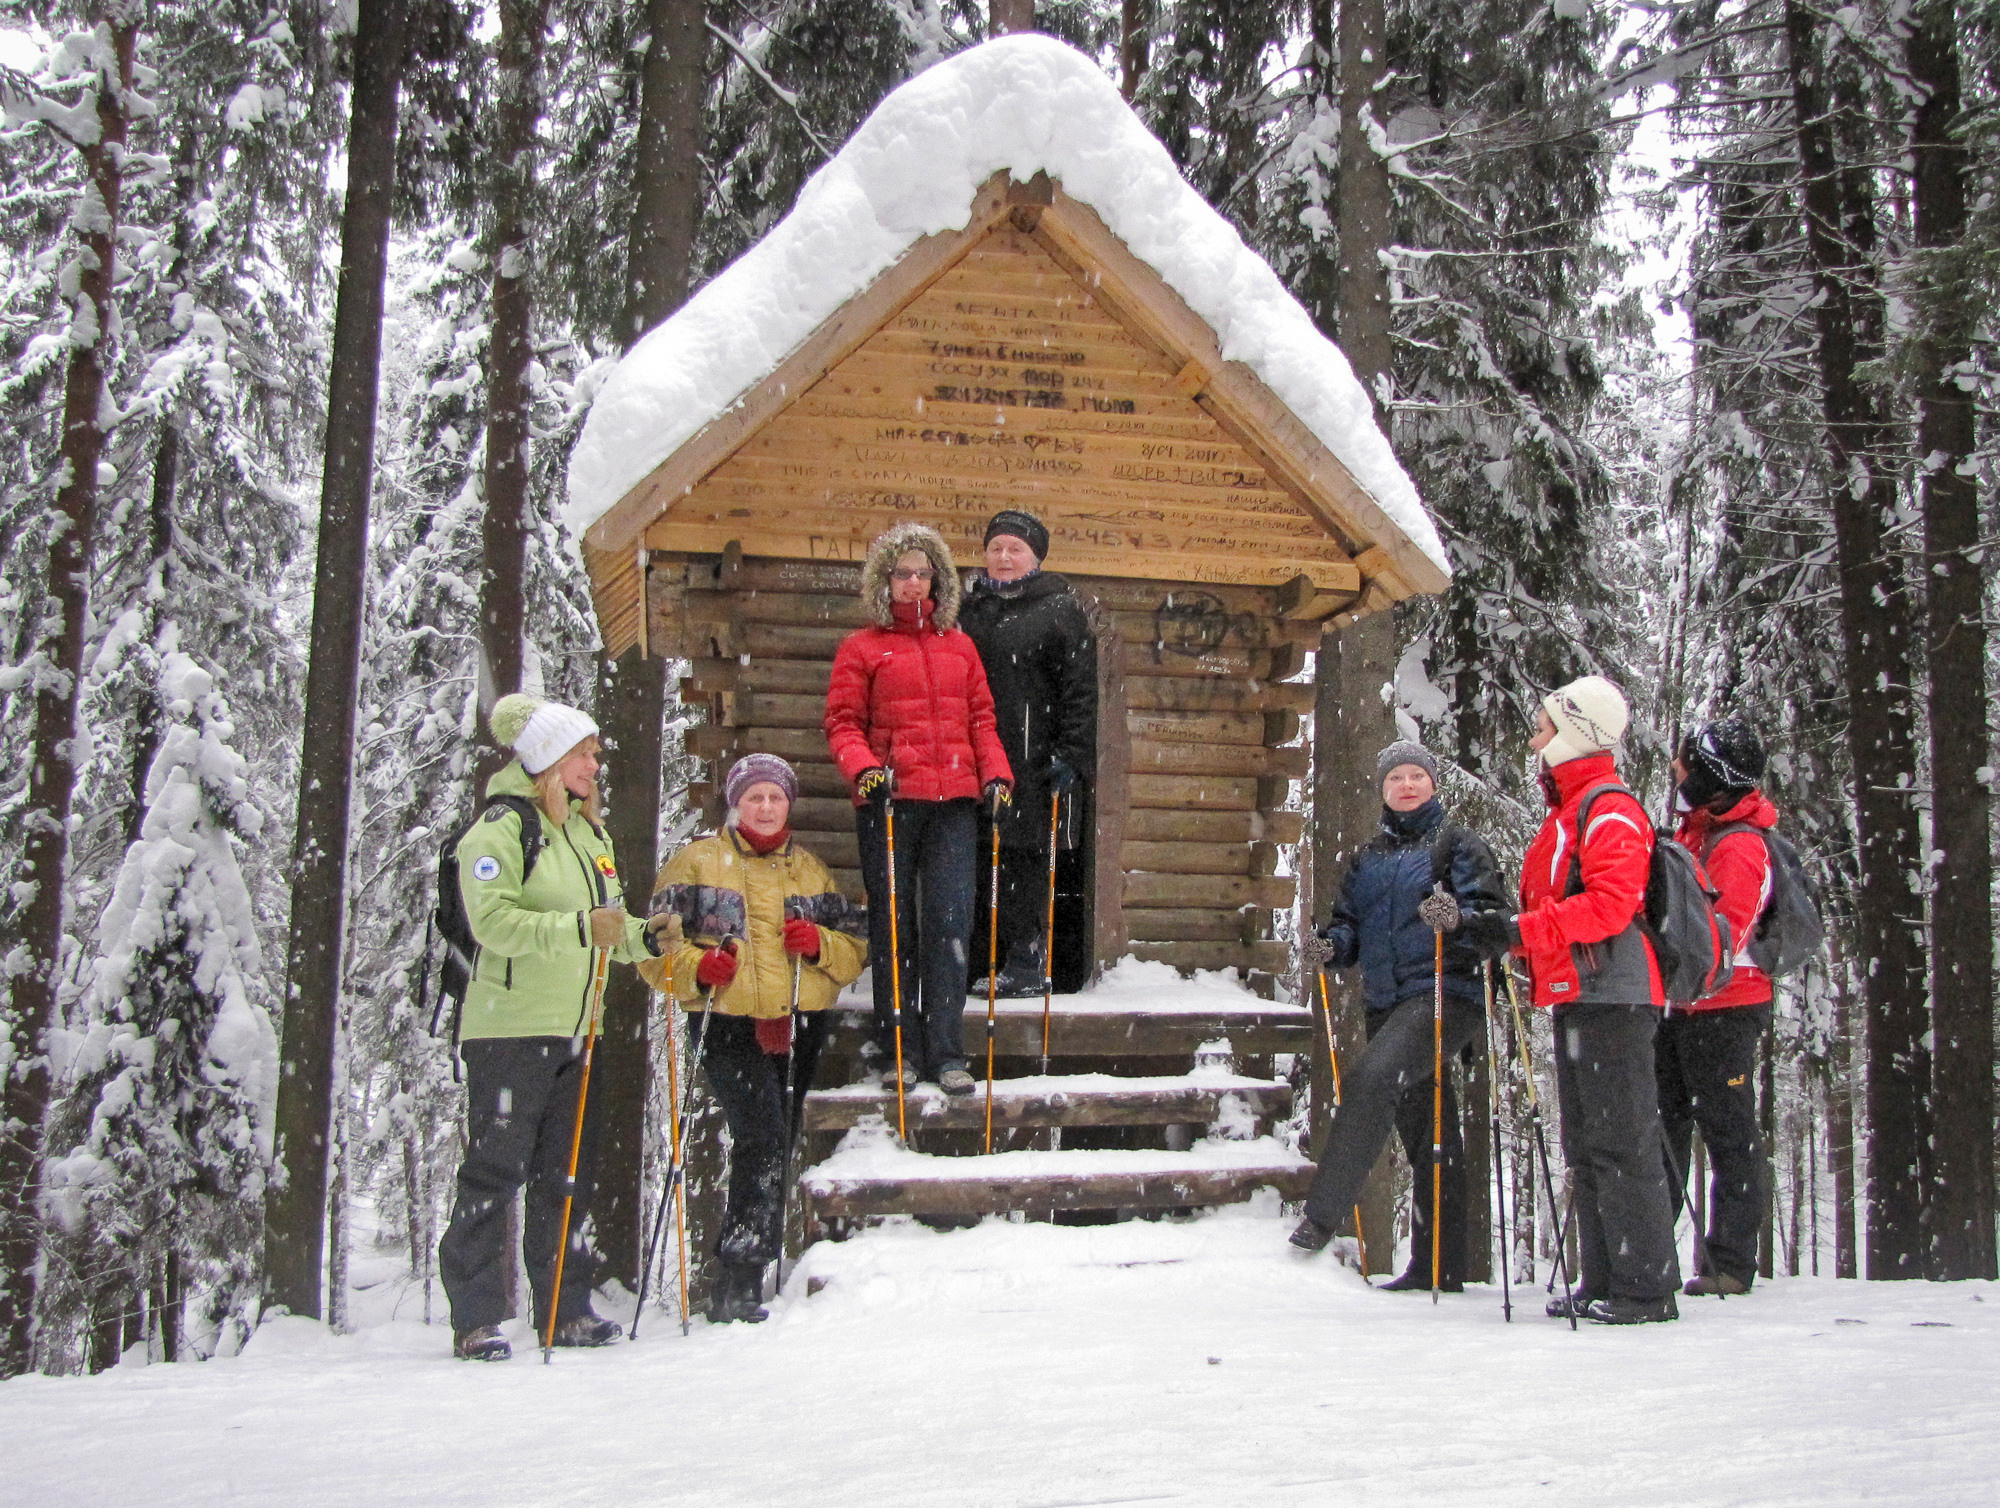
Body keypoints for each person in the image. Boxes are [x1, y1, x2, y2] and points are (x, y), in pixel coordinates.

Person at [440, 692, 673, 1361]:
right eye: (584, 753)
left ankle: (565, 1310)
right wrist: (579, 927)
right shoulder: (501, 830)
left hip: (580, 1028)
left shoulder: (586, 832)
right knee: (494, 1172)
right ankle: (477, 1318)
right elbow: (493, 925)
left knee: (565, 1175)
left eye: (595, 753)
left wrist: (647, 938)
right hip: (509, 1030)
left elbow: (606, 928)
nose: (595, 765)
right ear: (548, 759)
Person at [641, 753, 869, 1323]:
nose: (765, 807)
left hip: (798, 1021)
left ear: (787, 804)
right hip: (726, 1022)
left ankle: (753, 1273)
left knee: (778, 1137)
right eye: (754, 797)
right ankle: (738, 1277)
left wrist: (817, 943)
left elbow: (855, 950)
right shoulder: (696, 863)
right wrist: (697, 967)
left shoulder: (812, 871)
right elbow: (654, 946)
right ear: (736, 803)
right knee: (762, 1134)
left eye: (775, 797)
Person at [1288, 742, 1511, 1290]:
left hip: (1444, 995)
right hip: (1387, 1003)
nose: (1407, 785)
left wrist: (1457, 918)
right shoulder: (1367, 860)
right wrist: (1331, 947)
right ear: (1383, 790)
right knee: (1428, 1132)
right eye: (1396, 778)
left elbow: (1496, 918)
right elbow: (1351, 929)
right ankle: (1441, 1267)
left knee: (1372, 1077)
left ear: (1433, 786)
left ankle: (1321, 1217)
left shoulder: (1458, 846)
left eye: (1417, 776)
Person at [1507, 675, 1682, 1324]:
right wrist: (1516, 944)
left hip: (1617, 994)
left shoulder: (1609, 808)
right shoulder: (1570, 811)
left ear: (1575, 734)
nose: (1535, 739)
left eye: (1545, 728)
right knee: (1586, 1141)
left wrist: (1522, 932)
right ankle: (1604, 1278)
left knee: (1623, 1140)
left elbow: (1609, 908)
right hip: (1581, 992)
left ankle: (1646, 1289)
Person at [823, 522, 1013, 1096]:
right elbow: (842, 723)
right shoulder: (862, 647)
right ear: (885, 578)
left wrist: (998, 775)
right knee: (894, 928)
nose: (913, 583)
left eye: (922, 573)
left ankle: (947, 1052)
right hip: (889, 805)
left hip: (954, 804)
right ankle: (899, 1051)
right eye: (902, 572)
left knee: (951, 926)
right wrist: (864, 770)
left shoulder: (960, 645)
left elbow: (981, 719)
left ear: (938, 579)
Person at [957, 509, 1097, 996]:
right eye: (996, 548)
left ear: (1035, 557)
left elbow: (1080, 691)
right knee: (970, 855)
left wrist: (1071, 754)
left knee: (1022, 859)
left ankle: (1025, 960)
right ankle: (973, 958)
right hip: (971, 752)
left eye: (1015, 549)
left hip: (1033, 757)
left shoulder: (1058, 609)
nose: (1003, 557)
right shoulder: (967, 609)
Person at [1660, 716, 1776, 1297]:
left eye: (1687, 763)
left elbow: (1721, 935)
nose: (1678, 771)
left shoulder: (1739, 845)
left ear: (1714, 775)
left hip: (1725, 1009)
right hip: (1682, 1007)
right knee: (1667, 1126)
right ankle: (1655, 1252)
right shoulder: (1697, 831)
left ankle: (1730, 1263)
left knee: (1728, 1130)